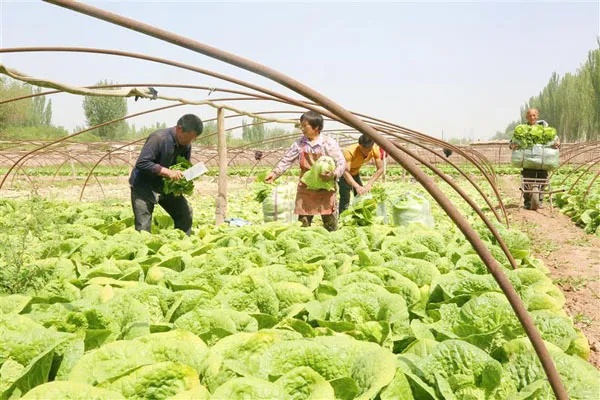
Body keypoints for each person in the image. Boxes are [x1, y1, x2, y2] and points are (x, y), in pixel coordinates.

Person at [265, 111, 346, 231]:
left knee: (330, 224)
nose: (302, 128)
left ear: (316, 127)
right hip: (306, 188)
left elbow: (341, 163)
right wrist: (275, 173)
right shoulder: (299, 144)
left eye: (305, 125)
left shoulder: (328, 143)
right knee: (303, 225)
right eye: (301, 125)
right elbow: (287, 160)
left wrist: (333, 174)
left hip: (325, 188)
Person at [129, 114, 204, 234]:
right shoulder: (158, 138)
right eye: (189, 137)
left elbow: (184, 164)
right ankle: (143, 248)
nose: (190, 141)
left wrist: (187, 176)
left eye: (193, 139)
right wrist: (167, 172)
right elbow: (142, 163)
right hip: (144, 187)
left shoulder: (186, 145)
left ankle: (182, 242)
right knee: (143, 226)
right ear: (179, 129)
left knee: (185, 212)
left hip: (166, 187)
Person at [509, 107, 560, 209]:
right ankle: (527, 201)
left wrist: (557, 144)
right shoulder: (522, 129)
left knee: (543, 180)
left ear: (537, 116)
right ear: (526, 117)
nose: (532, 117)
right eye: (530, 115)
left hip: (542, 161)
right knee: (527, 180)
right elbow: (512, 142)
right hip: (528, 161)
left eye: (534, 115)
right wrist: (512, 145)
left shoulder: (545, 129)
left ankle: (540, 201)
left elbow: (556, 140)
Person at [338, 134, 384, 214]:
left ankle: (359, 217)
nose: (366, 152)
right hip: (344, 175)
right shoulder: (349, 152)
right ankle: (342, 218)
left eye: (369, 150)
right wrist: (356, 186)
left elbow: (380, 169)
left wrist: (369, 184)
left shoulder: (375, 150)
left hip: (355, 173)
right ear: (359, 145)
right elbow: (345, 172)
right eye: (363, 149)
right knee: (345, 198)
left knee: (361, 195)